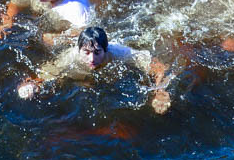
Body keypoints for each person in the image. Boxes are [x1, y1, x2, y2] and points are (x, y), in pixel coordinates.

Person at [17, 27, 171, 113]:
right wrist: (32, 85)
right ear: (79, 50)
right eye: (87, 52)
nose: (92, 59)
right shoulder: (71, 56)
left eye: (97, 53)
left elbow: (158, 67)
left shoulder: (119, 52)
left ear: (106, 49)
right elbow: (44, 74)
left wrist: (160, 92)